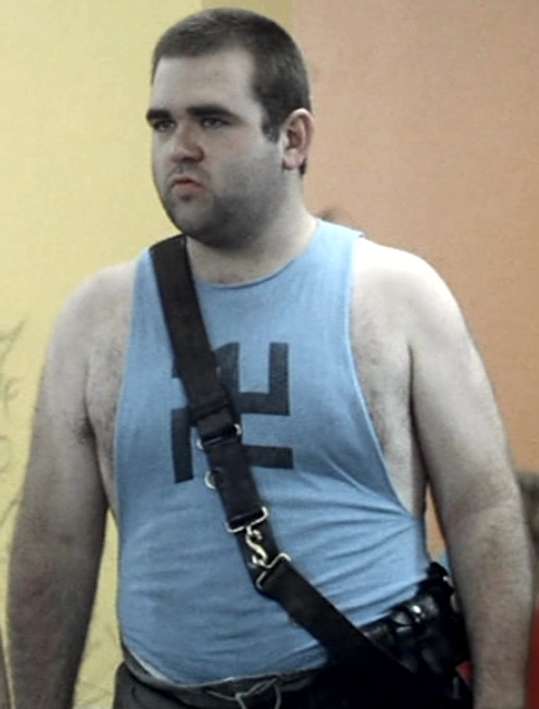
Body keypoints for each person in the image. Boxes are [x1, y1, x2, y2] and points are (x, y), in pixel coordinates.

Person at [8, 8, 533, 709]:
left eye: (211, 120)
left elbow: (483, 512)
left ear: (292, 138)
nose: (180, 147)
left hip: (365, 692)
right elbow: (54, 546)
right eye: (162, 123)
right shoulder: (97, 320)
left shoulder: (394, 296)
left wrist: (500, 696)